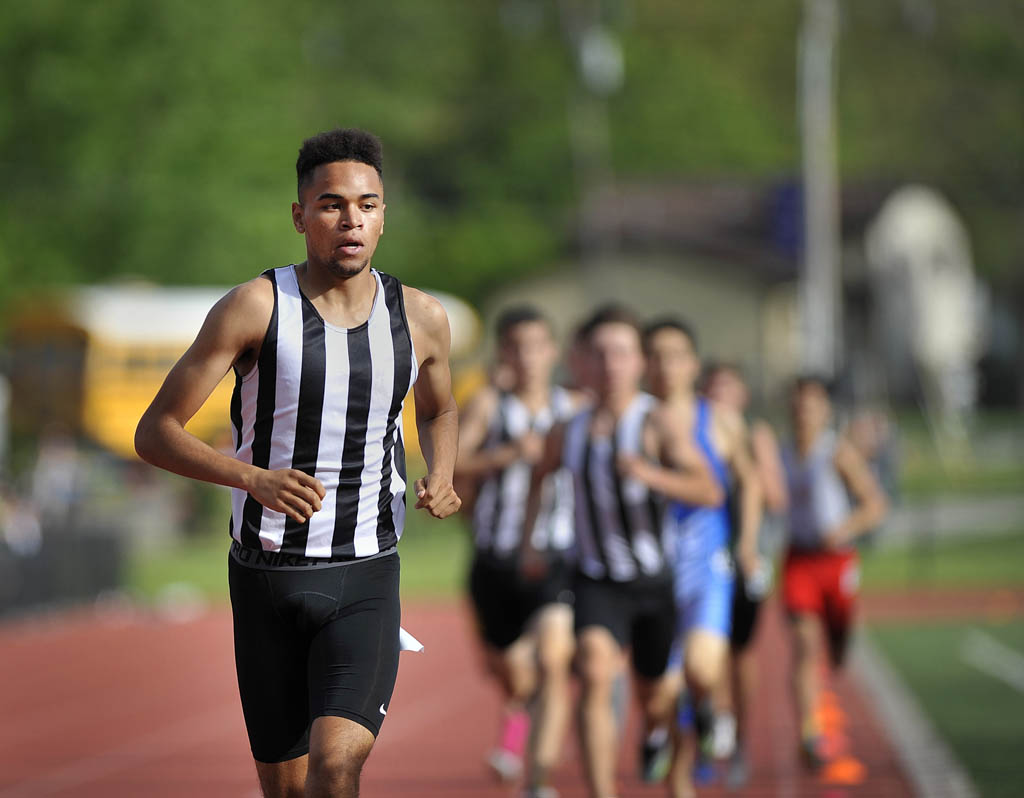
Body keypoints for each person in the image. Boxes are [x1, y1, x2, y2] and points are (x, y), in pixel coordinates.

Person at [134, 128, 461, 798]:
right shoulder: (255, 307)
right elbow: (156, 433)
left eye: (367, 205)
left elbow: (441, 407)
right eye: (333, 204)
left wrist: (444, 472)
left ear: (383, 215)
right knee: (286, 791)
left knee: (337, 769)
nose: (351, 221)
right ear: (300, 215)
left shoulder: (421, 318)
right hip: (265, 580)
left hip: (365, 575)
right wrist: (251, 477)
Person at [522, 305, 722, 798]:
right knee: (592, 672)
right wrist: (530, 539)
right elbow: (538, 477)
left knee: (656, 698)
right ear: (584, 362)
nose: (611, 364)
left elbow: (709, 490)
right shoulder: (567, 429)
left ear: (638, 362)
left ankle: (671, 760)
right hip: (595, 578)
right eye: (601, 353)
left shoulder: (656, 422)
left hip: (654, 581)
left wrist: (652, 474)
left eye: (622, 352)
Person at [455, 306, 581, 797]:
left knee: (553, 660)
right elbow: (454, 461)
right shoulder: (490, 404)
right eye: (517, 347)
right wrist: (507, 455)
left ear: (552, 351)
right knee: (512, 674)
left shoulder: (572, 408)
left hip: (555, 556)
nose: (527, 357)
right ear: (504, 353)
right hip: (494, 558)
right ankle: (520, 718)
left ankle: (541, 778)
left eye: (536, 346)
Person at [638, 321, 762, 798]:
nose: (666, 367)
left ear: (693, 365)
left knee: (703, 670)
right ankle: (676, 770)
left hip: (708, 565)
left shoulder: (721, 420)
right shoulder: (637, 419)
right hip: (651, 570)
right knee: (662, 695)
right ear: (645, 364)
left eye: (676, 356)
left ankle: (707, 712)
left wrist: (748, 542)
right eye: (657, 356)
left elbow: (748, 482)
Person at [780, 375, 887, 769]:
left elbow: (875, 504)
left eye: (811, 404)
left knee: (837, 648)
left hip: (837, 561)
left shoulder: (837, 452)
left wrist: (842, 530)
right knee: (804, 645)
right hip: (799, 560)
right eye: (797, 404)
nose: (803, 412)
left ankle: (841, 642)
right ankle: (811, 731)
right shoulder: (782, 452)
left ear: (824, 409)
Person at [702, 361, 787, 788]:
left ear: (742, 397)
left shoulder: (755, 435)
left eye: (727, 389)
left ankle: (739, 736)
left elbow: (776, 496)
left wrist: (752, 465)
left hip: (748, 558)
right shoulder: (694, 430)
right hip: (705, 558)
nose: (719, 397)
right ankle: (711, 729)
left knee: (739, 653)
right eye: (712, 389)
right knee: (703, 650)